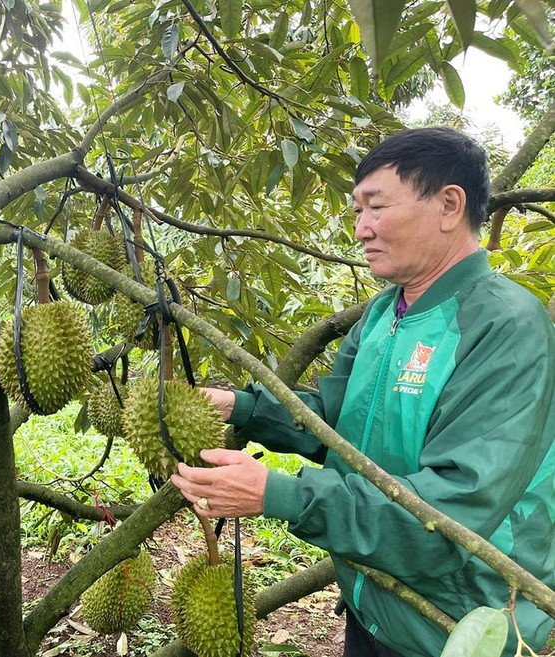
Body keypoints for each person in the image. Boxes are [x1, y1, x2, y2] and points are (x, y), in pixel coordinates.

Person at [171, 127, 555, 657]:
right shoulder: (385, 312)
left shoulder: (505, 327)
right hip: (374, 599)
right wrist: (241, 406)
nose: (361, 229)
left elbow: (451, 520)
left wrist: (278, 494)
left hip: (457, 626)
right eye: (356, 212)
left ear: (448, 205)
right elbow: (334, 421)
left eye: (375, 207)